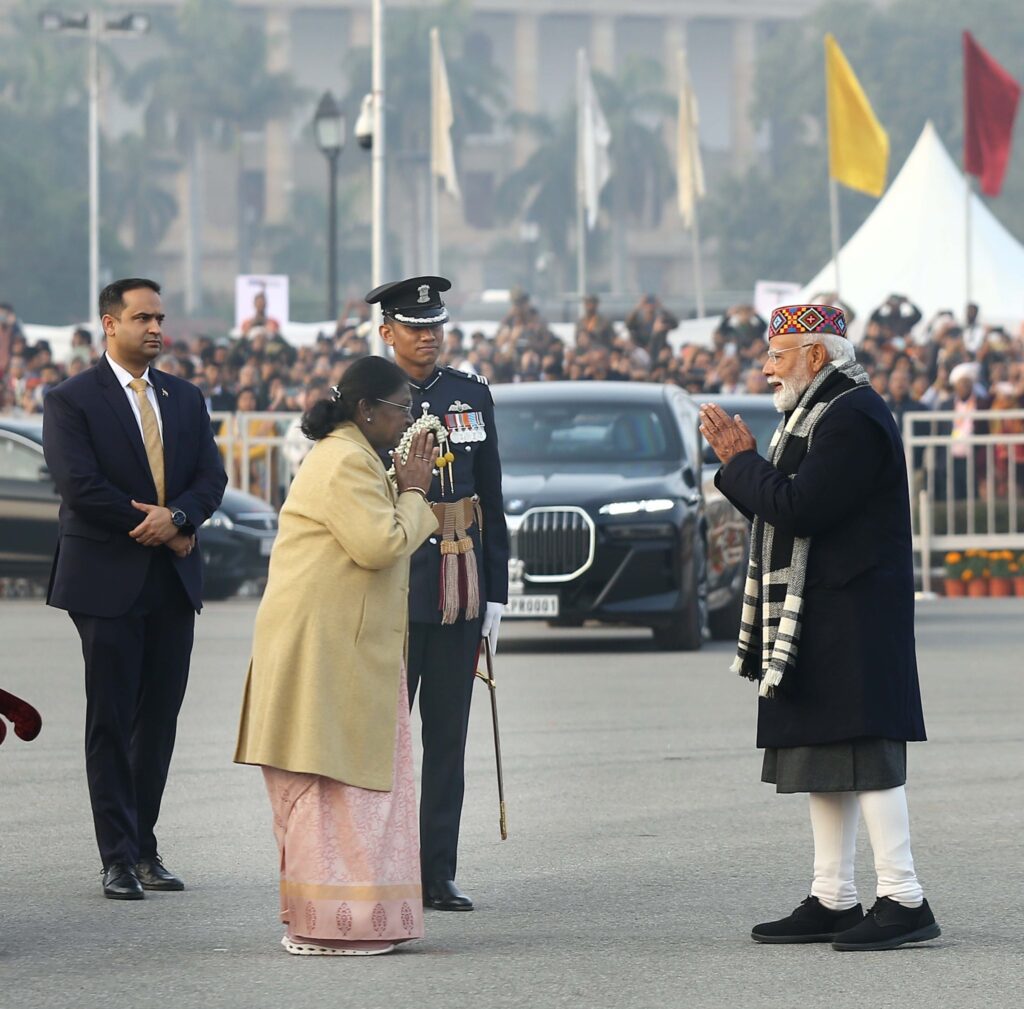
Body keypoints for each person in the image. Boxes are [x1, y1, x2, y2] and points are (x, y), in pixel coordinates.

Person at [699, 304, 940, 952]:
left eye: (778, 354)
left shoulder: (853, 416)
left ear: (817, 356)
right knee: (827, 750)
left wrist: (741, 462)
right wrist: (747, 464)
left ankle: (905, 896)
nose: (765, 366)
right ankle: (833, 896)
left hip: (854, 609)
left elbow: (801, 507)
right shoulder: (820, 411)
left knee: (867, 751)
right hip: (824, 608)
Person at [234, 356, 439, 956]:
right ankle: (328, 924)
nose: (410, 419)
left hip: (340, 646)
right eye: (402, 408)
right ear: (366, 410)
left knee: (354, 783)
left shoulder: (353, 453)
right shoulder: (345, 458)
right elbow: (380, 544)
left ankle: (361, 917)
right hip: (324, 649)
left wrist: (402, 488)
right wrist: (415, 491)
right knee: (335, 786)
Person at [42, 278, 227, 899]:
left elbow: (211, 475)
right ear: (109, 324)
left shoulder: (183, 396)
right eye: (142, 318)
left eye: (160, 318)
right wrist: (152, 523)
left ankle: (145, 846)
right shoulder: (71, 399)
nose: (155, 328)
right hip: (105, 581)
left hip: (172, 581)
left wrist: (180, 520)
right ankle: (116, 857)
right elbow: (78, 485)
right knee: (112, 721)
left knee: (160, 721)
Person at [367, 276, 510, 912]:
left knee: (446, 738)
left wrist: (497, 594)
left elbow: (494, 500)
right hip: (395, 585)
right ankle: (380, 863)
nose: (427, 338)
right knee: (384, 738)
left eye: (435, 327)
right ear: (386, 331)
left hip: (459, 587)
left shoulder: (469, 392)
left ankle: (436, 871)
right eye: (414, 327)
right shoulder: (367, 394)